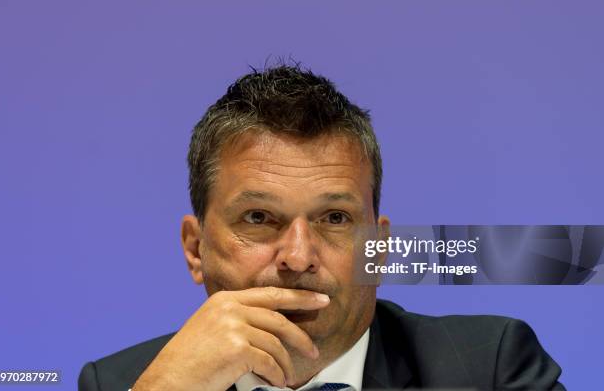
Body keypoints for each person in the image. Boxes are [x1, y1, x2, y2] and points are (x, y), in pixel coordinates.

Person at [78, 64, 564, 391]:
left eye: (334, 218)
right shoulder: (121, 382)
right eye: (259, 218)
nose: (298, 256)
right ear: (195, 249)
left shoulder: (488, 368)